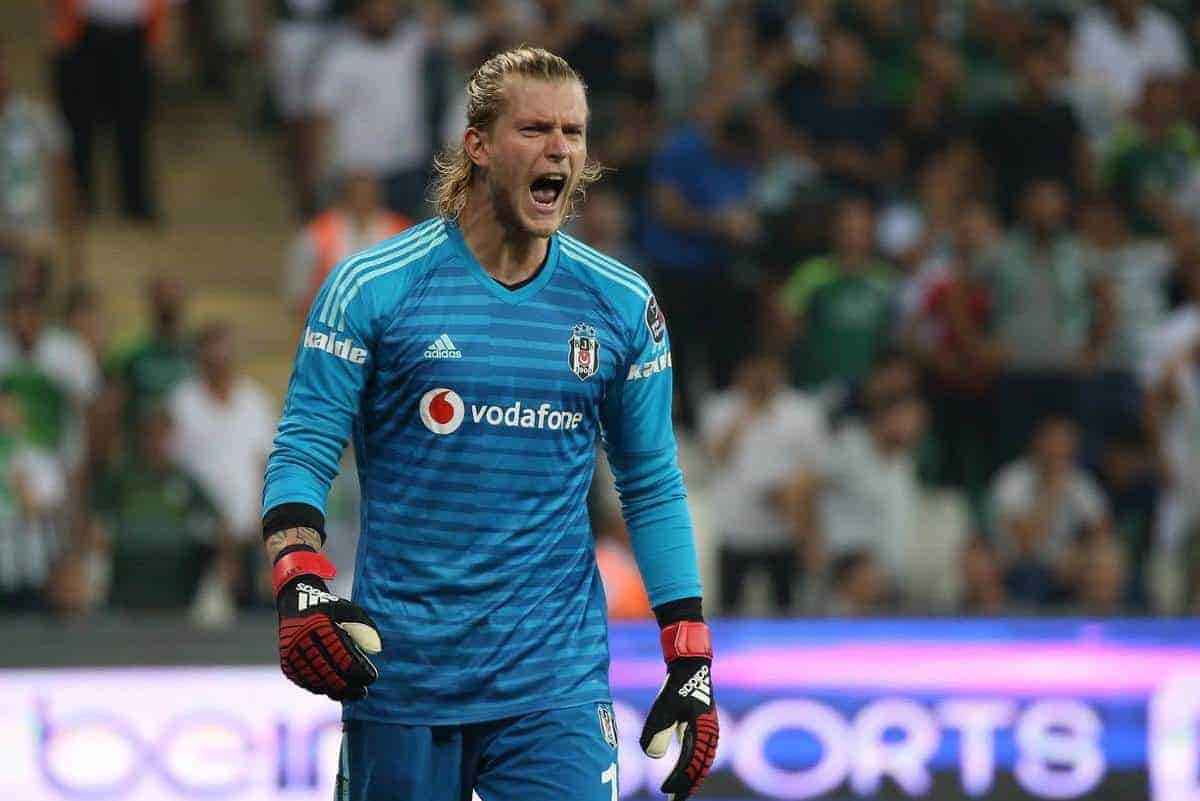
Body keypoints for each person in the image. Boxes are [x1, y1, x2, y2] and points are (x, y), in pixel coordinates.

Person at [261, 47, 717, 801]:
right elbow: (303, 450)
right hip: (402, 674)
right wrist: (298, 581)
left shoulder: (621, 303)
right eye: (535, 128)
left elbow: (653, 484)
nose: (560, 150)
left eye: (573, 132)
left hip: (555, 683)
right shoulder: (372, 287)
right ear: (477, 145)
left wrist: (690, 654)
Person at [700, 351, 827, 615]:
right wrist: (748, 413)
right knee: (729, 612)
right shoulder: (719, 407)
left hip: (783, 531)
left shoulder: (802, 411)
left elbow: (814, 470)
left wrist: (795, 500)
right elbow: (716, 454)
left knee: (787, 613)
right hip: (736, 532)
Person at [168, 321, 276, 605]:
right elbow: (172, 467)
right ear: (200, 358)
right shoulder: (182, 402)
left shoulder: (255, 402)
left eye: (223, 354)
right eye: (211, 354)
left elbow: (268, 467)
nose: (218, 361)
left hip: (247, 535)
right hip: (198, 536)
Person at [311, 0, 436, 218]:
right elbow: (322, 114)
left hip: (406, 166)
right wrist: (320, 169)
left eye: (389, 6)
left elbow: (437, 18)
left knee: (409, 245)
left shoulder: (413, 40)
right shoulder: (340, 55)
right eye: (376, 7)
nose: (383, 12)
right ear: (361, 11)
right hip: (358, 171)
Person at [988, 415, 1112, 607]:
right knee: (1030, 577)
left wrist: (1080, 554)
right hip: (1019, 565)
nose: (1058, 450)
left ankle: (1101, 630)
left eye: (1065, 443)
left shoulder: (1079, 481)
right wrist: (1051, 493)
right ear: (1038, 444)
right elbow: (1026, 544)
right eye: (1053, 442)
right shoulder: (1012, 480)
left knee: (1105, 568)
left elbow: (1102, 530)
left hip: (1068, 566)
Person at [283, 172, 412, 320]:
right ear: (346, 196)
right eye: (357, 195)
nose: (362, 201)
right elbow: (299, 278)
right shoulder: (320, 230)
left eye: (367, 195)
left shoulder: (401, 230)